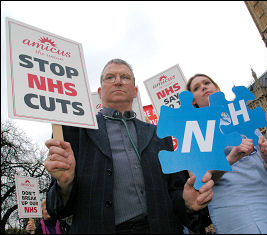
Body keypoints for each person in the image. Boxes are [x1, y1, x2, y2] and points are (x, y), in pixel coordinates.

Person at [44, 59, 215, 234]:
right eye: (110, 77)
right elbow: (56, 208)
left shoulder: (160, 134)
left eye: (125, 77)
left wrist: (187, 202)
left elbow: (175, 190)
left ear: (135, 91)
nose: (118, 81)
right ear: (100, 92)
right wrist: (65, 183)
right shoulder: (73, 131)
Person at [186, 74, 267, 234]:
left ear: (217, 88)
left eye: (207, 83)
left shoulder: (242, 116)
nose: (203, 87)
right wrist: (230, 159)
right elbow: (200, 181)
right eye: (196, 88)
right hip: (234, 203)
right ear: (193, 101)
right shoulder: (193, 130)